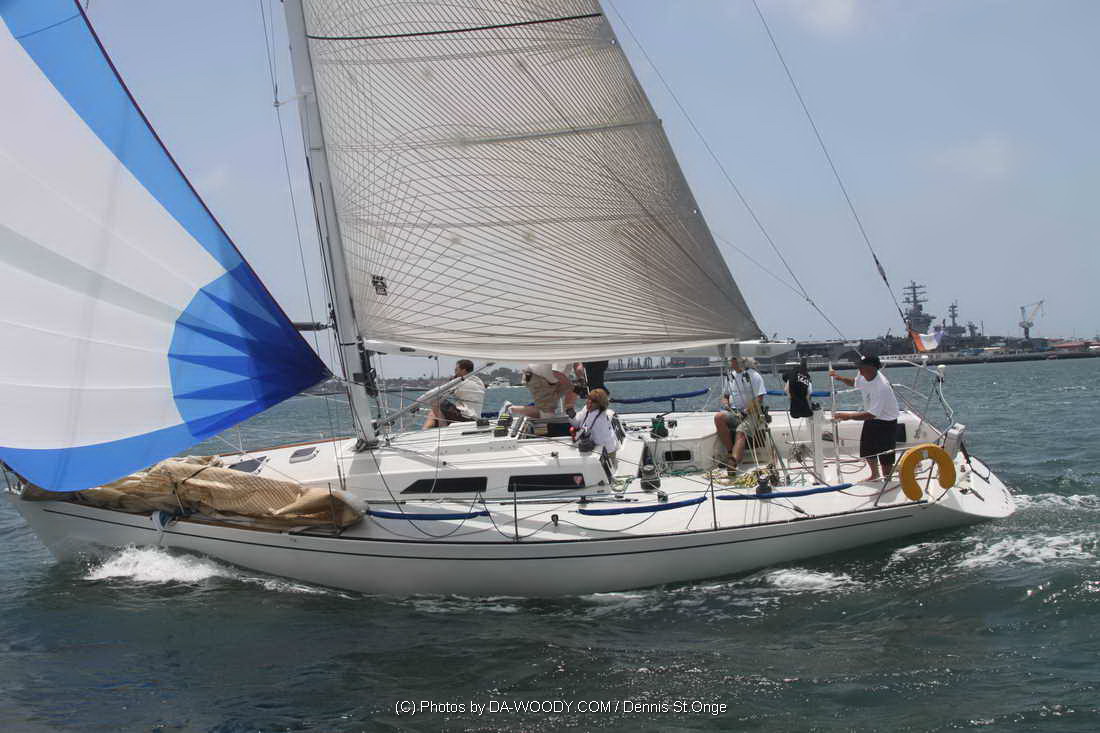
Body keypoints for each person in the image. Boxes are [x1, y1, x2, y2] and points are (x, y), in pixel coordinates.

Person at [829, 355, 900, 480]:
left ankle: (891, 474)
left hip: (886, 421)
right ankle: (874, 474)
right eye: (859, 366)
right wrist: (839, 377)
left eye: (862, 367)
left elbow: (872, 414)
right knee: (867, 449)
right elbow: (855, 382)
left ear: (872, 367)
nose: (859, 369)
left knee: (885, 457)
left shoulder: (881, 386)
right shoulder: (863, 374)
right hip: (872, 417)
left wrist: (848, 416)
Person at [713, 356, 767, 470]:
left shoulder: (754, 376)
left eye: (733, 360)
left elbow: (759, 398)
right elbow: (725, 396)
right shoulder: (730, 376)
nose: (730, 362)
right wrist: (726, 404)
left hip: (752, 413)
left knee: (741, 431)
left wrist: (746, 411)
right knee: (718, 417)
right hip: (734, 412)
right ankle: (730, 453)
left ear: (741, 362)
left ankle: (733, 462)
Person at [421, 359, 485, 429]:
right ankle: (428, 429)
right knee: (436, 412)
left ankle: (441, 428)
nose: (454, 371)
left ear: (463, 371)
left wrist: (421, 400)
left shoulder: (460, 381)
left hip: (466, 418)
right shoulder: (479, 381)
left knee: (435, 401)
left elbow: (437, 392)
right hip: (475, 418)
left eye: (456, 369)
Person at [570, 388, 620, 468]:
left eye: (593, 400)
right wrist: (572, 416)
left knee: (610, 469)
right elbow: (580, 423)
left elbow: (584, 430)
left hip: (606, 450)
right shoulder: (590, 410)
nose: (588, 401)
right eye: (588, 398)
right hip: (604, 447)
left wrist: (576, 437)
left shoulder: (596, 415)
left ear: (599, 404)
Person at [510, 363, 577, 419]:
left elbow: (578, 367)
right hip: (538, 378)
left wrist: (577, 385)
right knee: (547, 415)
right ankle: (510, 409)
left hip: (549, 380)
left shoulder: (574, 353)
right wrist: (572, 386)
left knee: (575, 387)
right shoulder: (563, 353)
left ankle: (568, 410)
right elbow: (556, 372)